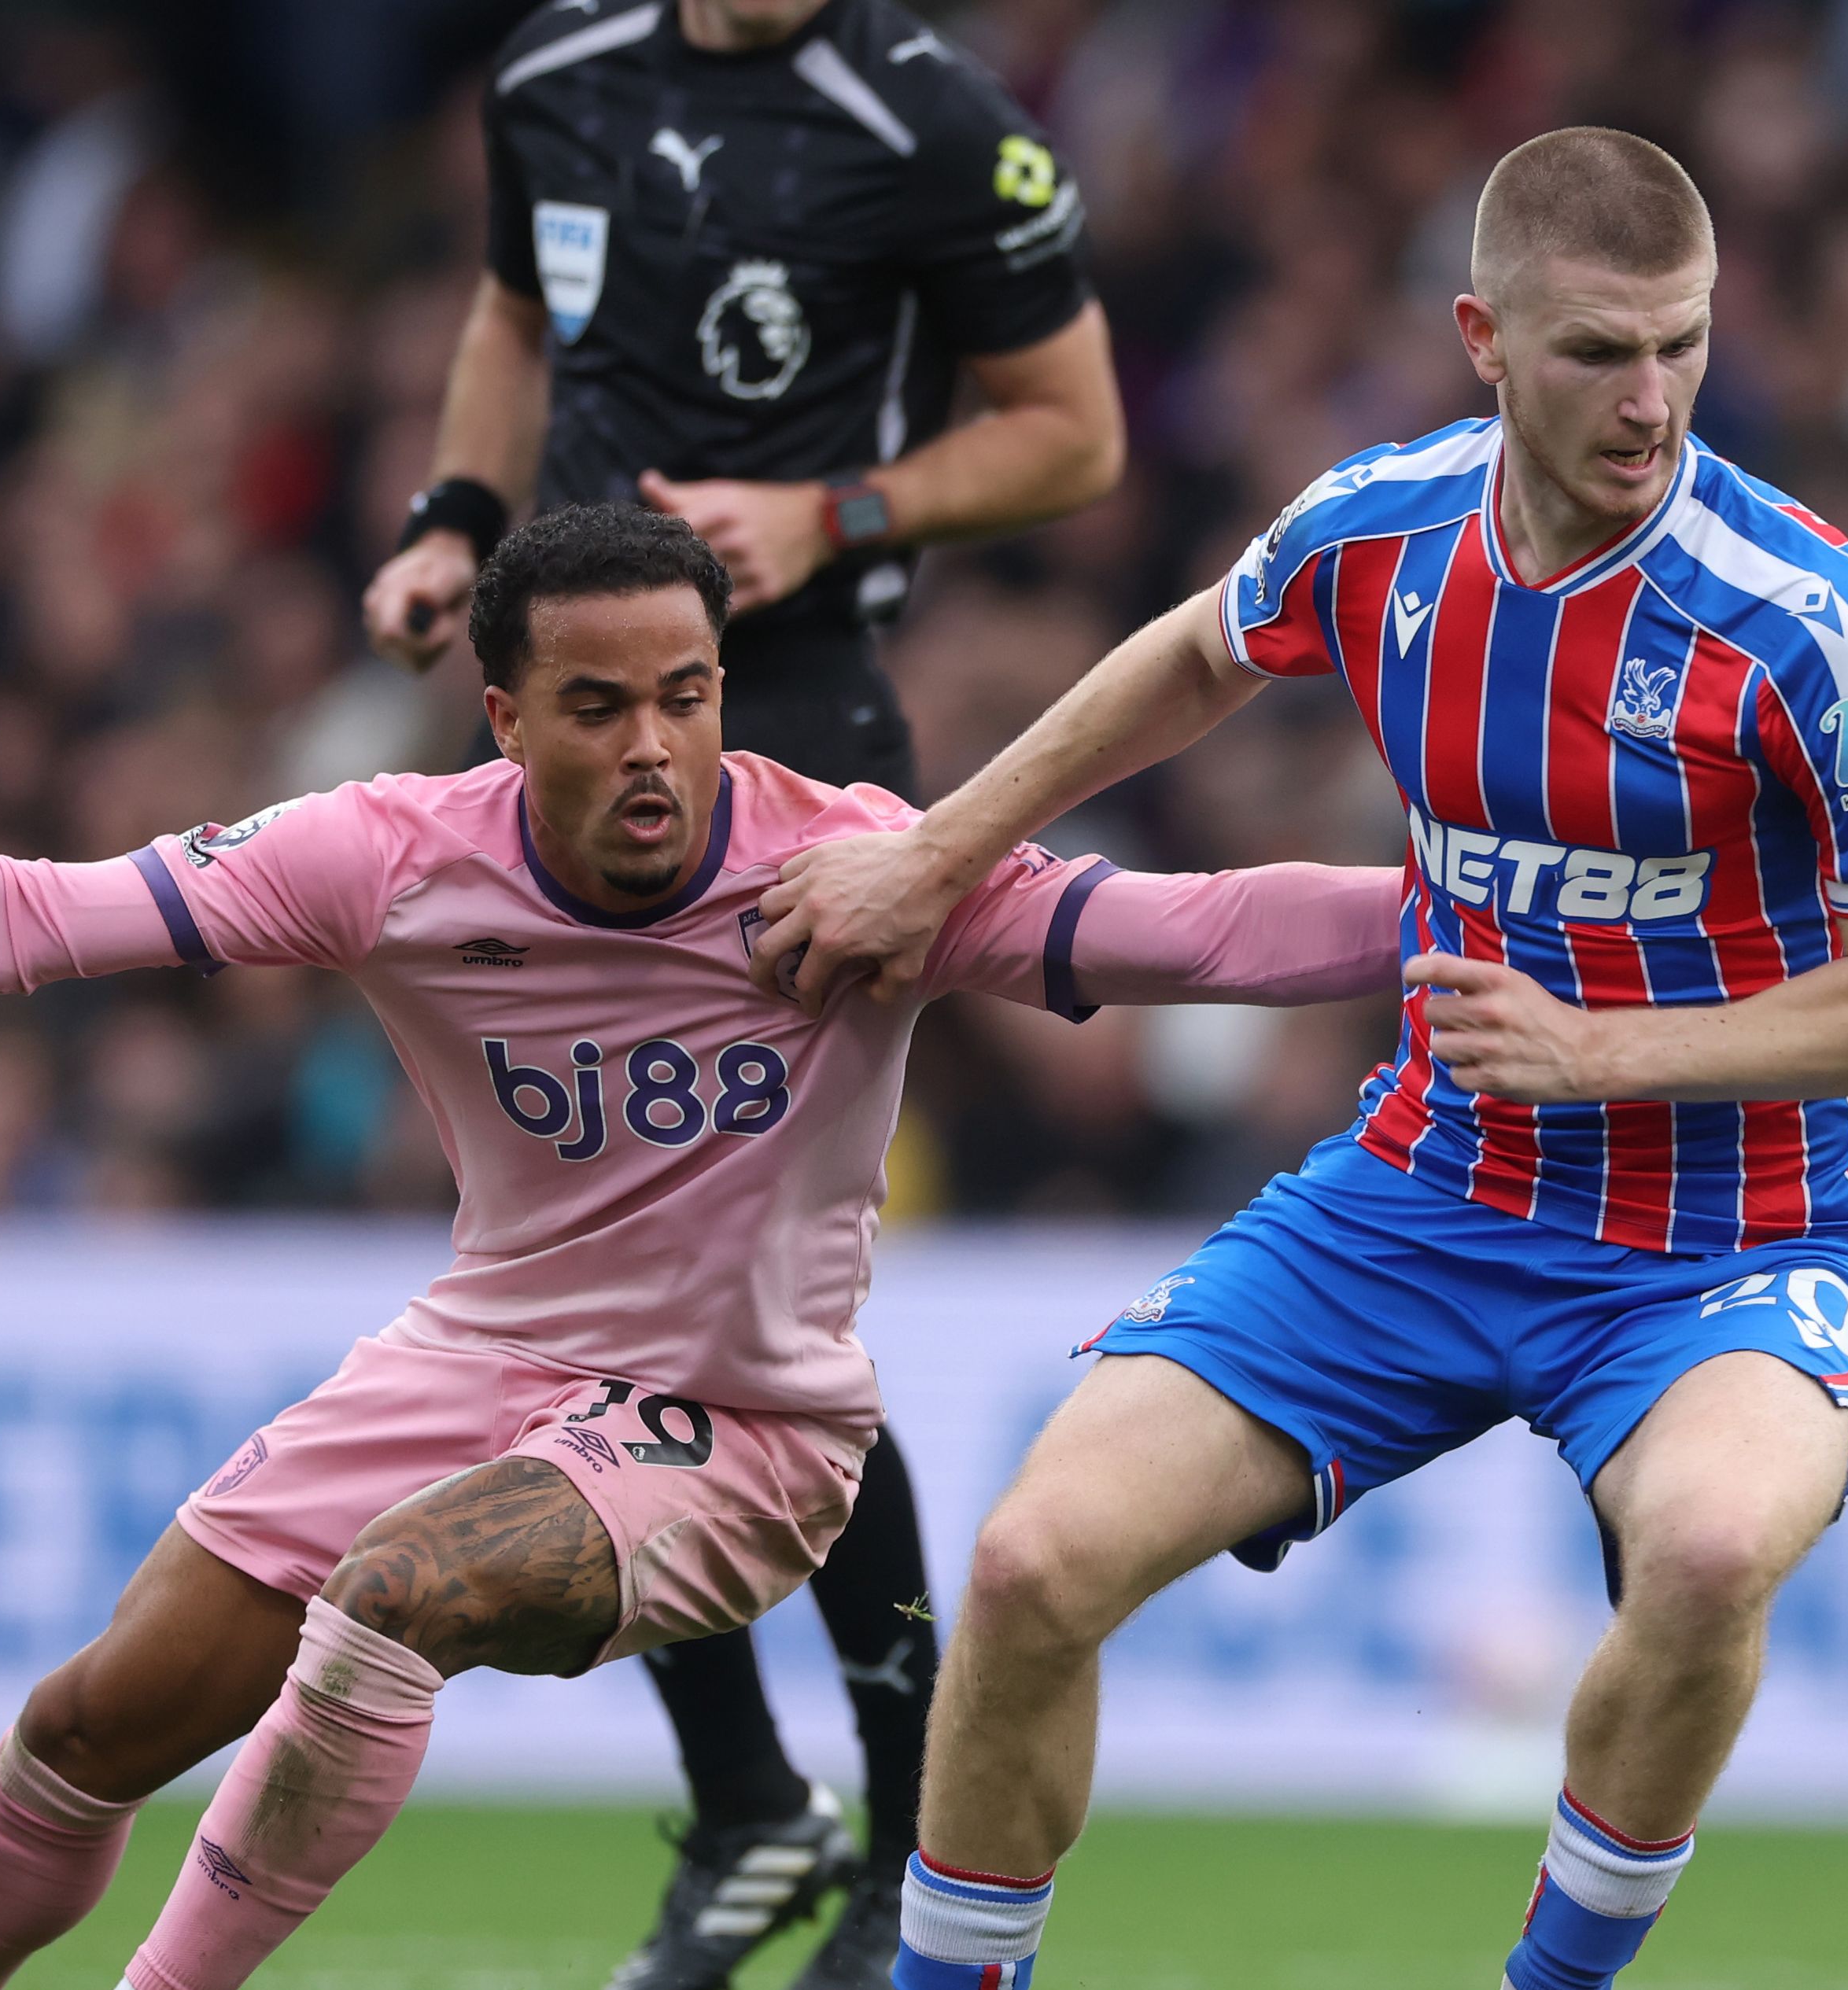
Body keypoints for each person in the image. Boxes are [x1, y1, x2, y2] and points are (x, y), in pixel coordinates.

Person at [0, 506, 1396, 1990]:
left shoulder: (855, 868)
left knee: (398, 1591)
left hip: (746, 1426)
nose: (653, 747)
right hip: (471, 1360)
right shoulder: (389, 850)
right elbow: (33, 912)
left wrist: (1492, 905)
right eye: (600, 702)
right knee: (96, 1718)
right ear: (504, 708)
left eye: (689, 695)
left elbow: (1204, 932)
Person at [746, 131, 1848, 1990]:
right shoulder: (1383, 528)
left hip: (1722, 1243)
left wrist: (1601, 1046)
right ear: (1480, 337)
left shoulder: (1813, 620)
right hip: (1418, 1195)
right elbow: (1190, 653)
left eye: (1682, 344)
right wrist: (941, 852)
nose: (1649, 399)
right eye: (1596, 350)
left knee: (1714, 1547)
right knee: (1023, 1570)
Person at [356, 3, 1125, 1977]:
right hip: (576, 732)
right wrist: (461, 517)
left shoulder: (932, 122)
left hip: (783, 730)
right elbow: (515, 314)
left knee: (767, 1318)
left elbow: (1075, 433)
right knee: (605, 1297)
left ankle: (884, 1842)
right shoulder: (555, 75)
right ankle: (756, 1807)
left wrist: (836, 512)